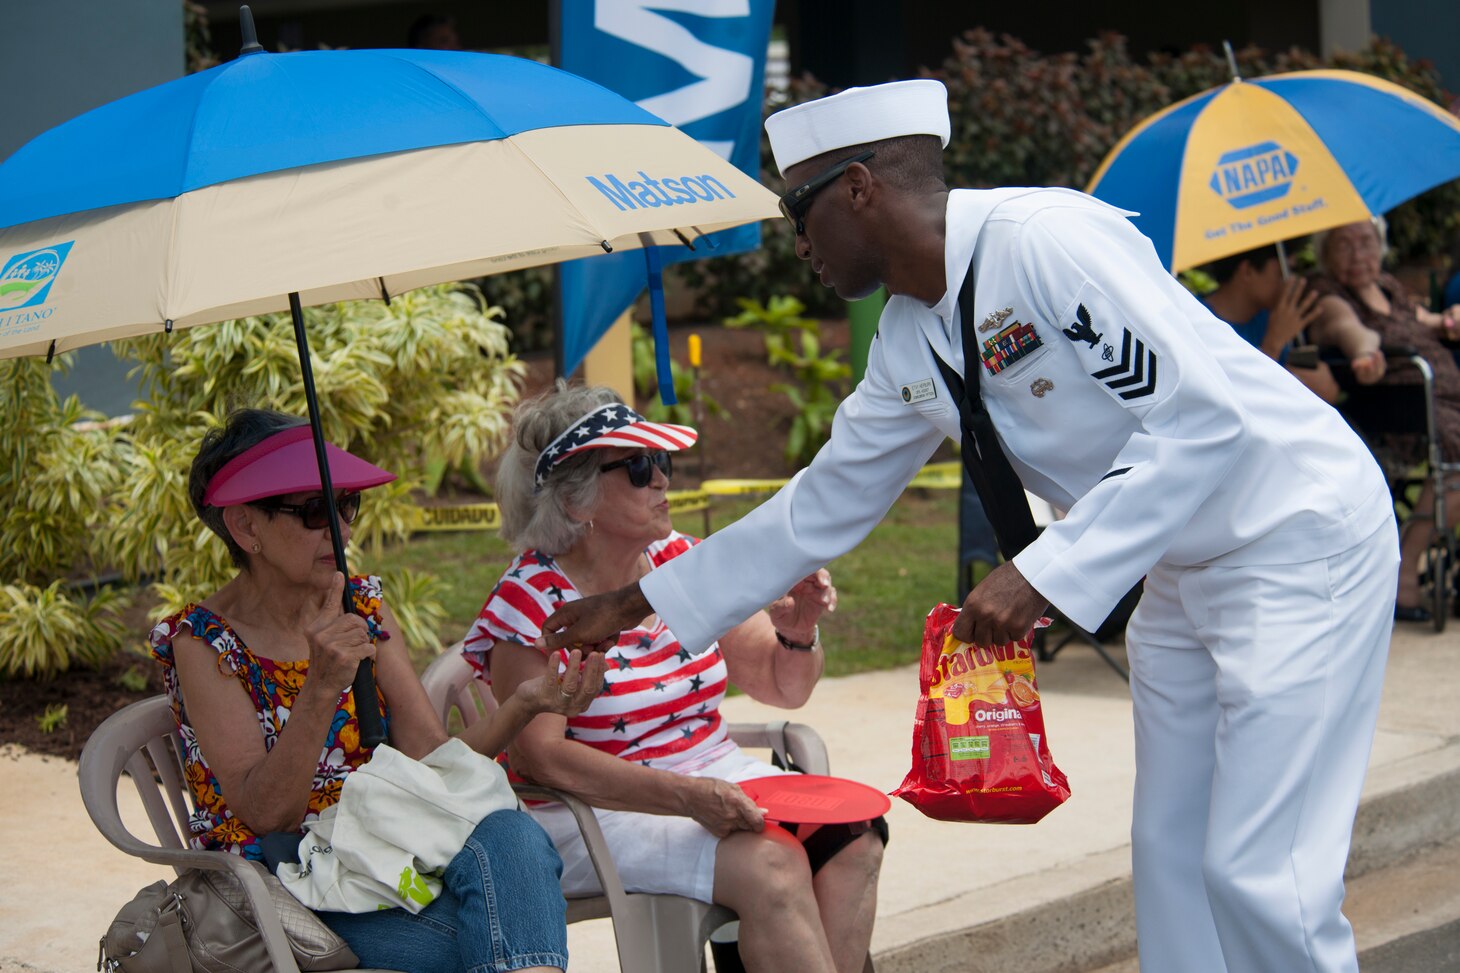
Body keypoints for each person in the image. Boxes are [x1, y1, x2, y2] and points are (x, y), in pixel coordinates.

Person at [538, 80, 1399, 973]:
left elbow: (1203, 418)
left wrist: (1044, 570)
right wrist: (639, 599)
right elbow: (821, 502)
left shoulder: (1046, 245)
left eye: (802, 208)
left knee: (1263, 869)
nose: (797, 243)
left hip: (1297, 535)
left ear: (862, 187)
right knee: (1173, 853)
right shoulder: (912, 335)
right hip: (1181, 562)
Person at [150, 408, 605, 973]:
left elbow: (432, 761)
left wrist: (527, 702)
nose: (341, 530)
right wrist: (320, 689)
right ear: (246, 528)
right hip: (297, 877)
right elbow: (269, 815)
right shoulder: (204, 642)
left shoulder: (360, 605)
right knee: (493, 940)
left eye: (347, 505)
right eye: (316, 510)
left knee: (513, 837)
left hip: (397, 840)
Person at [466, 383, 884, 973]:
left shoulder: (678, 563)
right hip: (594, 810)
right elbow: (543, 760)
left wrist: (799, 630)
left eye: (661, 461)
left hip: (709, 777)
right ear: (578, 500)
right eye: (639, 466)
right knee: (773, 863)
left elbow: (781, 685)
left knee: (854, 838)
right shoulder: (532, 602)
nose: (663, 479)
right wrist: (686, 798)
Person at [1307, 217, 1460, 622]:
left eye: (1366, 242)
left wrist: (1449, 320)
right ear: (1325, 253)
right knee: (1458, 464)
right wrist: (1364, 353)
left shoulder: (1389, 287)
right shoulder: (1328, 293)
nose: (1359, 254)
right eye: (1345, 245)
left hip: (1443, 402)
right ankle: (1405, 571)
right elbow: (1348, 329)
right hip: (1399, 411)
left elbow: (1422, 320)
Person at [1199, 243, 1347, 404]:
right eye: (1281, 272)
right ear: (1247, 271)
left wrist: (1322, 386)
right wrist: (1272, 346)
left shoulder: (1272, 316)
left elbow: (1319, 391)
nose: (1290, 281)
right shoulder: (1197, 322)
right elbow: (1231, 399)